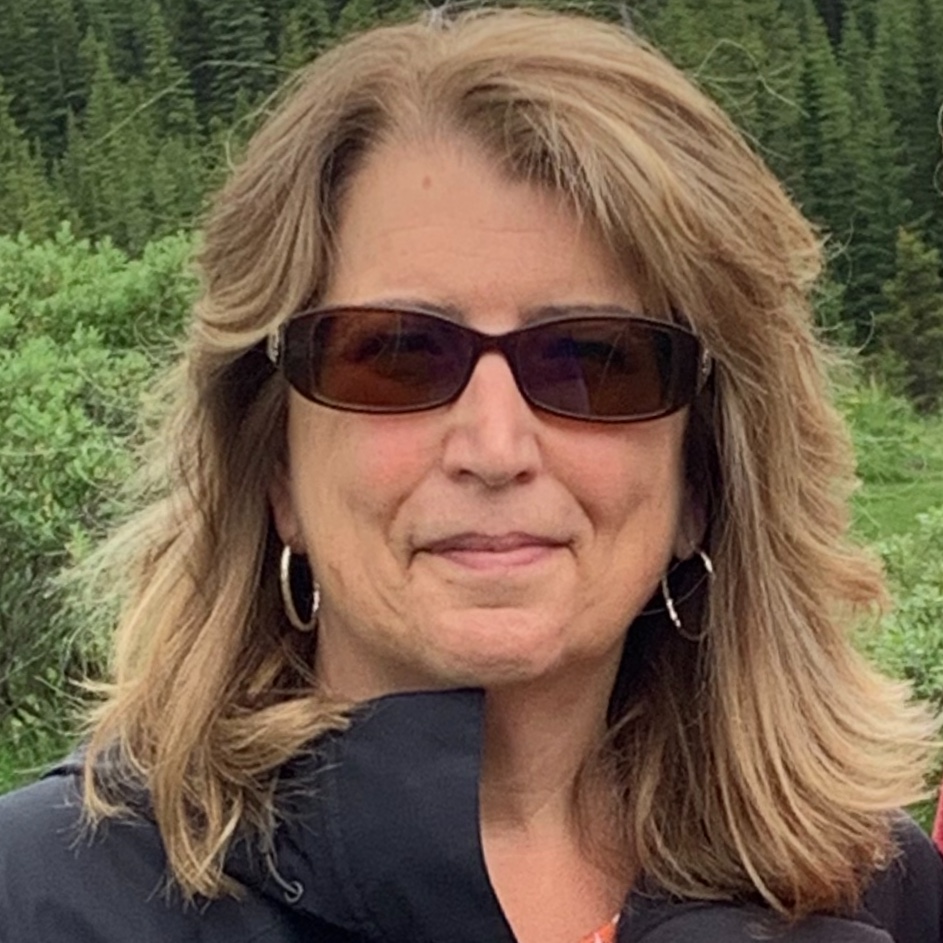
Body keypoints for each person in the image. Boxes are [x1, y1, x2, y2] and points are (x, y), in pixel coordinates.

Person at [0, 8, 940, 942]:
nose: (494, 449)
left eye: (593, 360)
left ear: (700, 478)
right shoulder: (45, 900)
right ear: (274, 465)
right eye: (396, 356)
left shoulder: (866, 887)